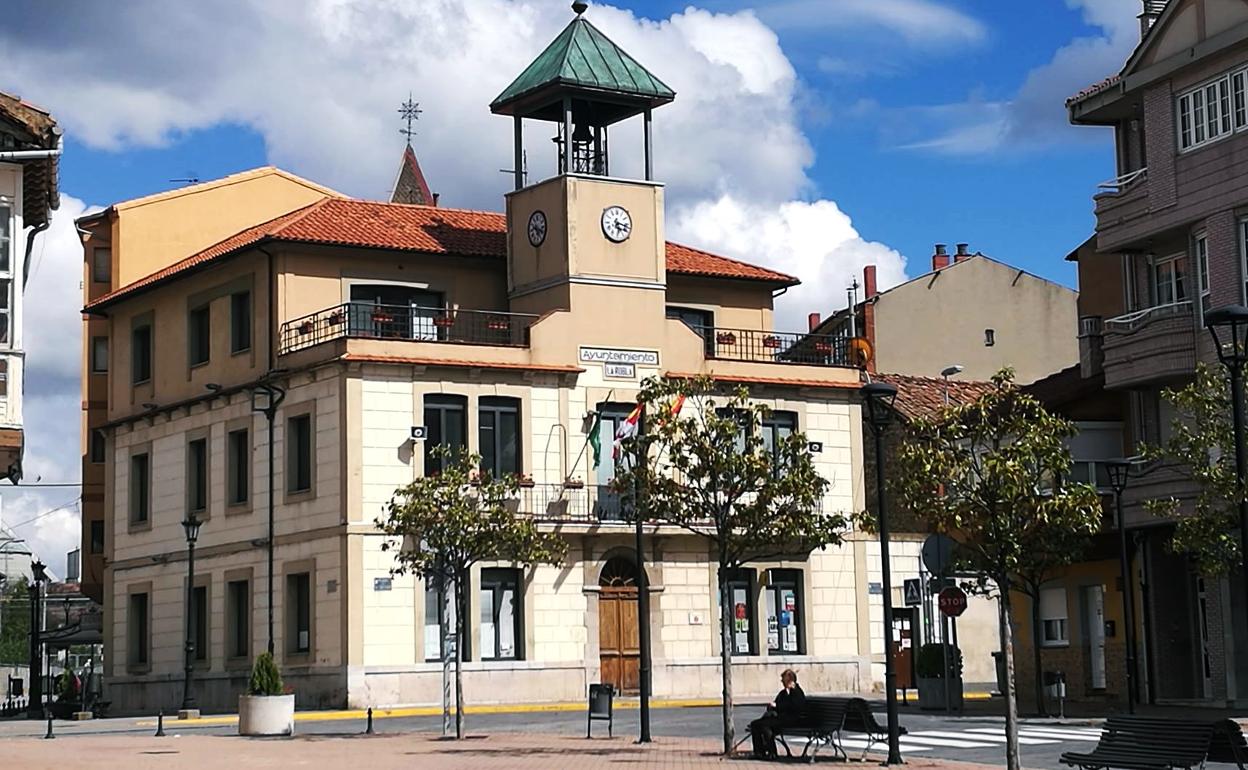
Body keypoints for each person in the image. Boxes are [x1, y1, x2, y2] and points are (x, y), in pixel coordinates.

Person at [750, 668, 806, 759]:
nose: (782, 682)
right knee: (755, 724)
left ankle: (772, 752)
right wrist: (772, 707)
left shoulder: (797, 692)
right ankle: (759, 752)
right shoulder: (783, 693)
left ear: (789, 681)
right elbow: (778, 703)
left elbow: (794, 707)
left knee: (765, 726)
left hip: (792, 720)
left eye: (783, 680)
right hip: (781, 718)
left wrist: (777, 706)